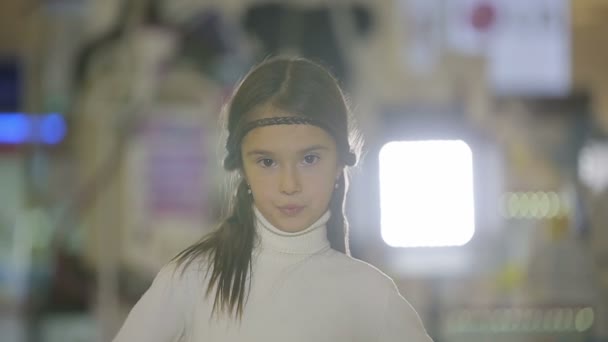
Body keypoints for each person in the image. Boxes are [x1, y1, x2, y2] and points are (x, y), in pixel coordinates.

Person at [112, 56, 433, 341]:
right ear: (241, 166)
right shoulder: (191, 280)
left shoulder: (371, 295)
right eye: (267, 162)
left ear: (339, 163)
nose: (289, 184)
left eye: (309, 159)